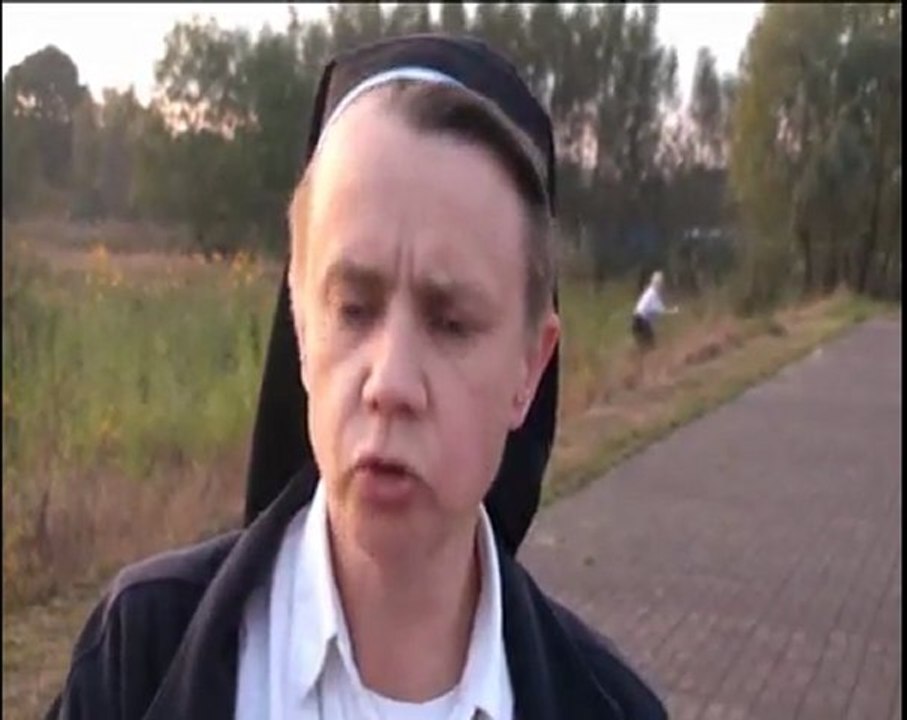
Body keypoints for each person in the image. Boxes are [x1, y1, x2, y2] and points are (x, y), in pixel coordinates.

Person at [47, 35, 666, 720]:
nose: (390, 383)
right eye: (353, 308)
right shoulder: (136, 658)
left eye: (451, 323)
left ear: (530, 367)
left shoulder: (611, 709)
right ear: (300, 323)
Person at [631, 270, 678, 352]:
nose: (662, 285)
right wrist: (673, 311)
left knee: (643, 347)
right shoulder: (654, 294)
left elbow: (653, 311)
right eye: (661, 283)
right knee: (650, 347)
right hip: (641, 321)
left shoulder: (649, 292)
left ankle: (636, 357)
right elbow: (661, 311)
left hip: (636, 320)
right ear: (659, 283)